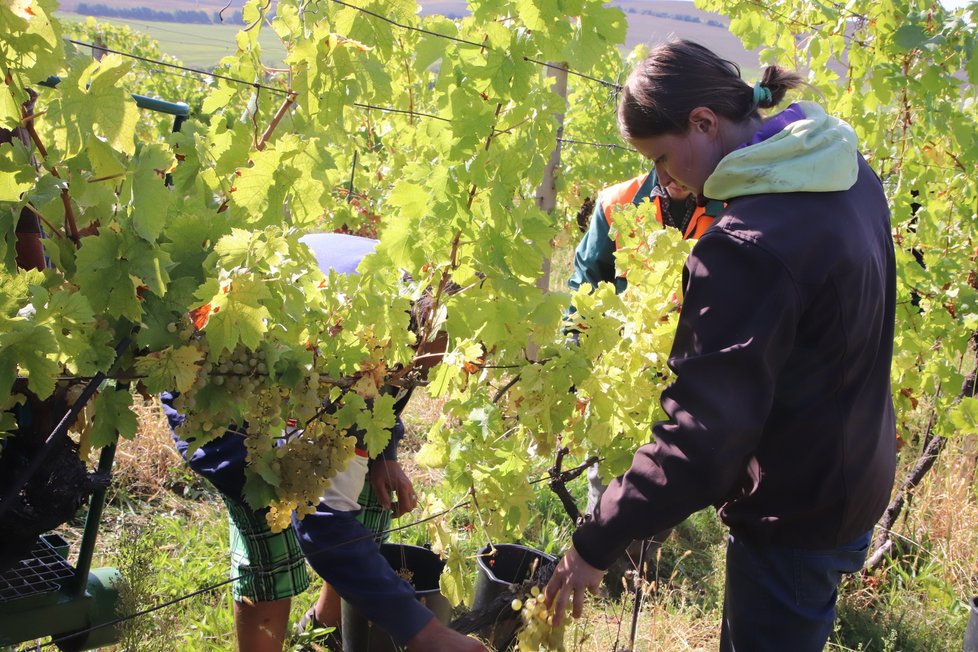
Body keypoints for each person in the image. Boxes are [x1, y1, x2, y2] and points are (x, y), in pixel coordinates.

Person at [546, 40, 896, 652]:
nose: (662, 179)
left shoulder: (745, 243)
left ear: (704, 122)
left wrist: (595, 542)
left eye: (660, 156)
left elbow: (701, 438)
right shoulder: (842, 167)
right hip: (852, 472)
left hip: (795, 508)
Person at [163, 232, 484, 652]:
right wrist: (425, 633)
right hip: (224, 401)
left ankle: (322, 626)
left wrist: (384, 452)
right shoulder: (341, 348)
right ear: (421, 326)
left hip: (308, 385)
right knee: (270, 533)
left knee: (369, 504)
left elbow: (388, 390)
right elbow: (320, 521)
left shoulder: (412, 315)